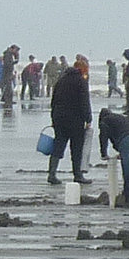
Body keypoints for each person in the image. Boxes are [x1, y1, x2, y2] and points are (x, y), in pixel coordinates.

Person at [48, 55, 92, 185]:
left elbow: (53, 100)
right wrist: (88, 118)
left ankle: (52, 174)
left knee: (58, 145)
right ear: (82, 69)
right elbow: (85, 102)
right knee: (76, 148)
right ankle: (77, 175)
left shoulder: (61, 79)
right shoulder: (80, 81)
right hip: (75, 120)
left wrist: (53, 118)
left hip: (59, 118)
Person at [99, 107, 129, 206]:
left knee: (128, 171)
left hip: (125, 140)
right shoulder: (120, 118)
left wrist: (104, 154)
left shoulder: (104, 121)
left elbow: (103, 138)